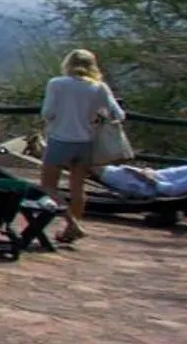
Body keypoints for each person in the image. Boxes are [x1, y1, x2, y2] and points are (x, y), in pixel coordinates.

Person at [40, 49, 126, 244]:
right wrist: (95, 119)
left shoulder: (57, 84)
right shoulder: (99, 87)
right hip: (85, 142)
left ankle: (73, 224)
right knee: (77, 189)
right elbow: (118, 115)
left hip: (60, 140)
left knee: (47, 187)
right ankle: (71, 230)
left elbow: (47, 113)